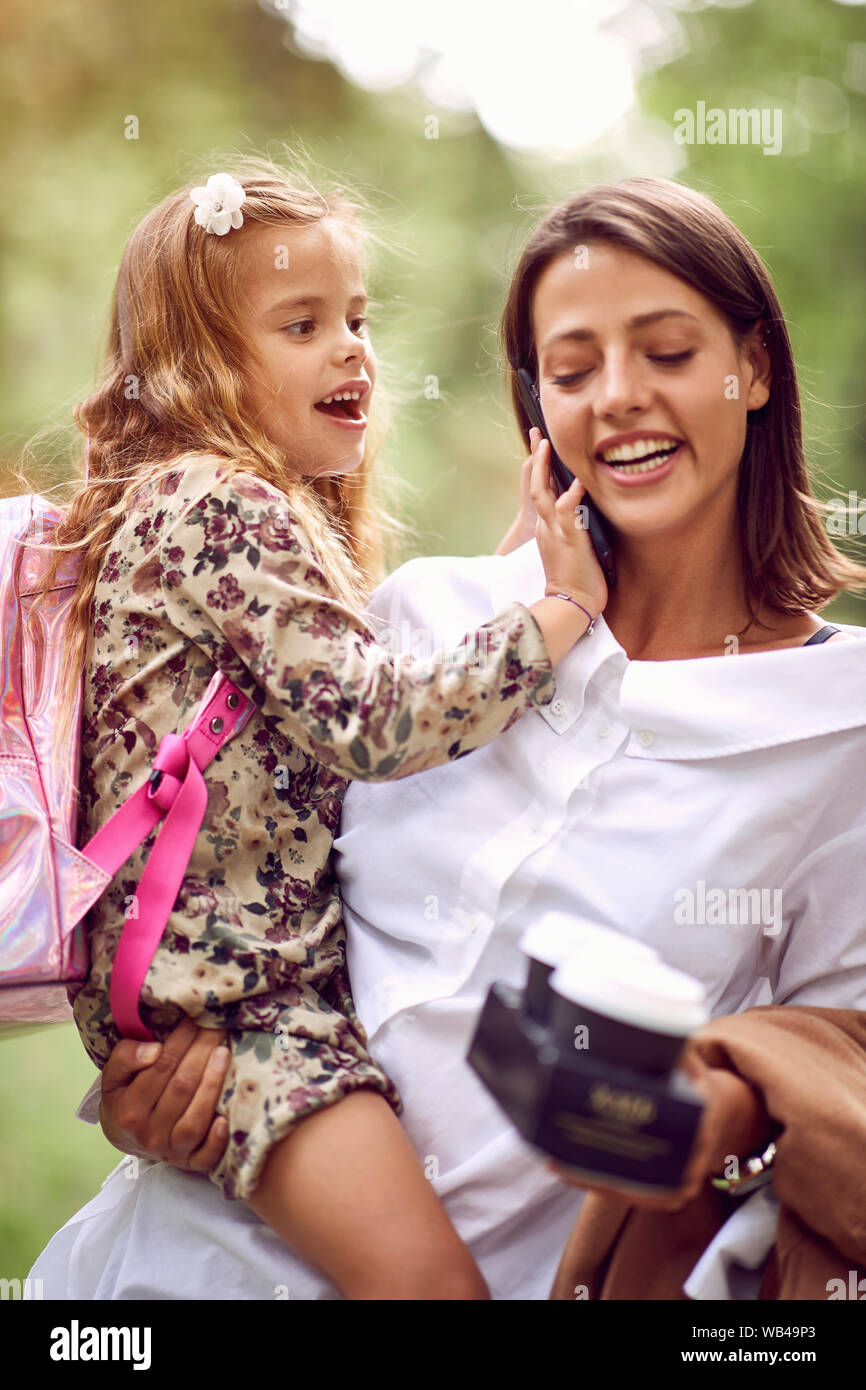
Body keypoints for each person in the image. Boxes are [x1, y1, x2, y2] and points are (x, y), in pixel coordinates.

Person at [30, 176, 866, 1302]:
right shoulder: (428, 621)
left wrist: (696, 1119)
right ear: (537, 408)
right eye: (570, 371)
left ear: (752, 367)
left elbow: (830, 1088)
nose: (616, 398)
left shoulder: (836, 724)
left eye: (666, 352)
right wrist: (144, 1083)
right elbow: (222, 864)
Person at [22, 154, 609, 1303]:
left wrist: (512, 582)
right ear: (198, 366)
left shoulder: (185, 509)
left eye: (355, 317)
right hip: (245, 1017)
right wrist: (562, 612)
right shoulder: (218, 504)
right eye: (301, 325)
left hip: (209, 999)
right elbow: (372, 718)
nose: (353, 349)